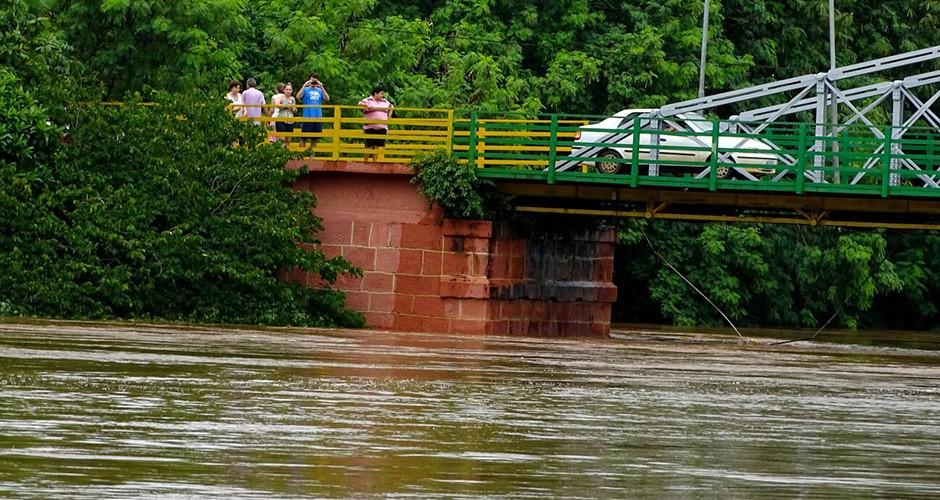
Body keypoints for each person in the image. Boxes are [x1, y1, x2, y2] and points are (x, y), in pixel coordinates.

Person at [358, 85, 394, 160]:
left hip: (381, 126)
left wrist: (388, 118)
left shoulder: (385, 101)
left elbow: (391, 107)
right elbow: (359, 104)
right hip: (369, 126)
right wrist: (366, 106)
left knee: (376, 146)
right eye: (381, 93)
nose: (382, 95)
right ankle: (365, 162)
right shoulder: (368, 100)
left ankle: (374, 163)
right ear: (375, 93)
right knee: (369, 146)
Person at [295, 74, 330, 149]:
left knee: (315, 138)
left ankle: (311, 157)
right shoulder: (305, 89)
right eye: (312, 80)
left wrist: (322, 86)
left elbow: (327, 99)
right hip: (307, 116)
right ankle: (301, 155)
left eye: (315, 81)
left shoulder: (320, 90)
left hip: (317, 117)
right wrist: (304, 85)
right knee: (303, 137)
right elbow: (298, 97)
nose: (313, 83)